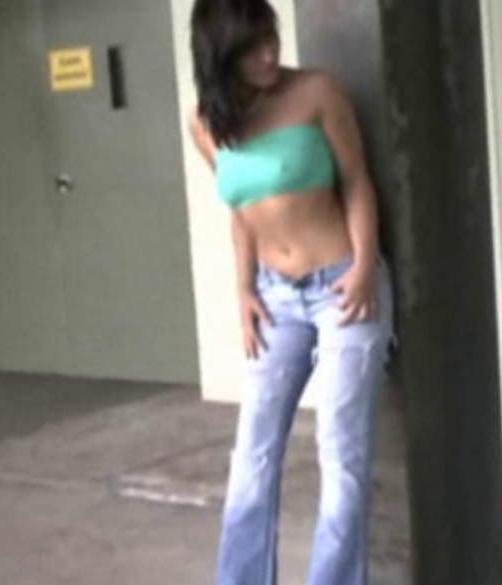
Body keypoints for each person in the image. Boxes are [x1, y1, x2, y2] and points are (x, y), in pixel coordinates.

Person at [187, 1, 395, 585]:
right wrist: (243, 291)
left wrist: (363, 266)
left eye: (271, 38)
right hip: (274, 298)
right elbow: (242, 212)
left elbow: (357, 182)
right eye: (251, 48)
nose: (270, 55)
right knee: (251, 457)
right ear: (220, 56)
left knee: (340, 454)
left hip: (343, 288)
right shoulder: (206, 122)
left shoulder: (317, 93)